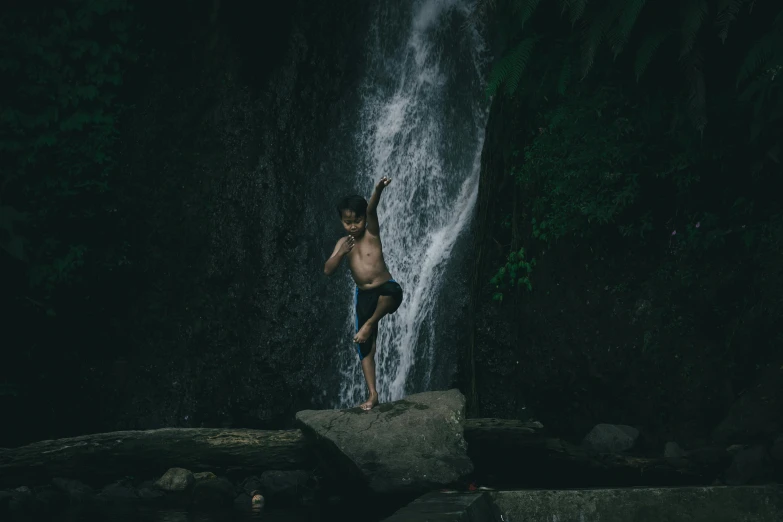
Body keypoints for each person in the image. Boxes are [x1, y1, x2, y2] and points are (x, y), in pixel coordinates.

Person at [324, 176, 403, 410]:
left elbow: (372, 208)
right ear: (341, 221)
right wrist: (341, 253)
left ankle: (369, 324)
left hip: (385, 287)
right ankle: (372, 394)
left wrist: (378, 188)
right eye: (348, 222)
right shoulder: (343, 243)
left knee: (393, 293)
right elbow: (327, 270)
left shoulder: (372, 233)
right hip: (364, 295)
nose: (353, 226)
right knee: (365, 348)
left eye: (357, 220)